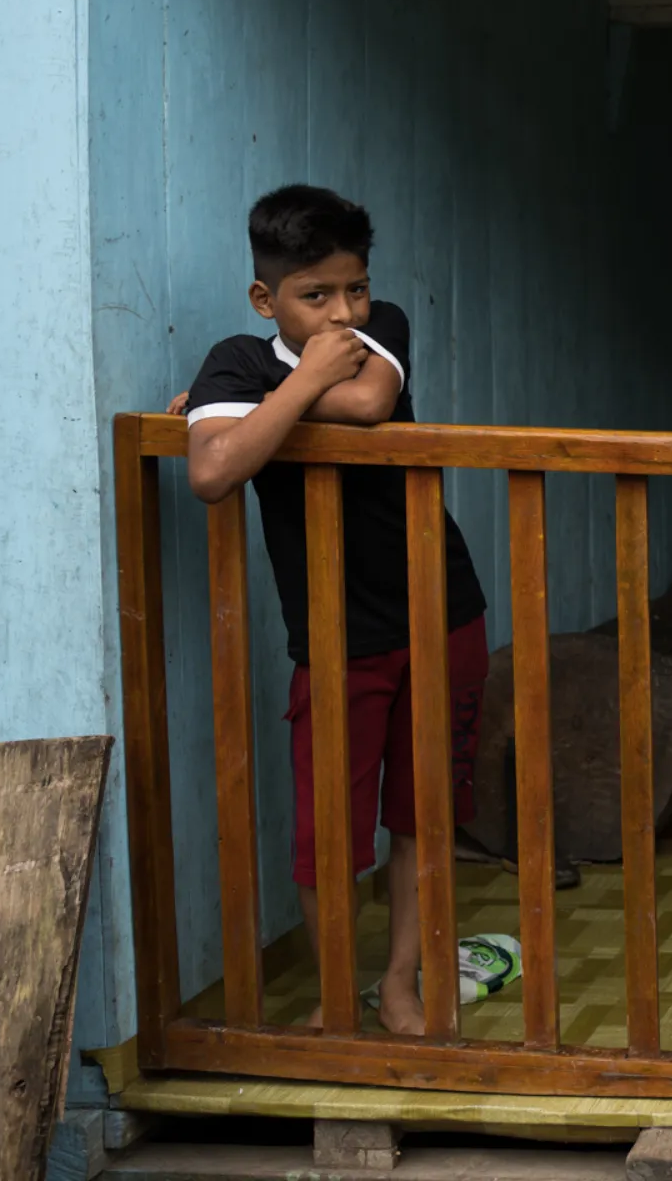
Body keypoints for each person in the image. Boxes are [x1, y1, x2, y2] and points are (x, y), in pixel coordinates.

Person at [181, 185, 490, 1035]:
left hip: (440, 612)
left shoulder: (378, 327)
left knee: (421, 816)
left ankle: (398, 983)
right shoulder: (236, 358)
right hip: (332, 637)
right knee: (329, 833)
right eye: (315, 297)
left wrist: (252, 413)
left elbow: (365, 405)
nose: (341, 311)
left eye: (351, 288)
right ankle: (335, 993)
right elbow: (210, 476)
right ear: (264, 299)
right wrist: (286, 389)